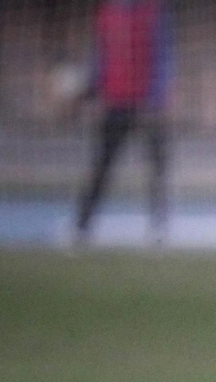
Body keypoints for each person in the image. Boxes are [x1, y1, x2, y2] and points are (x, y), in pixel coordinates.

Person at [74, 0, 173, 244]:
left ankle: (158, 228)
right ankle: (82, 226)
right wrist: (92, 92)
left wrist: (157, 97)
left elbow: (164, 54)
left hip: (147, 104)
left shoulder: (154, 10)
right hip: (115, 101)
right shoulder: (108, 12)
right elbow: (100, 55)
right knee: (102, 165)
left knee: (156, 167)